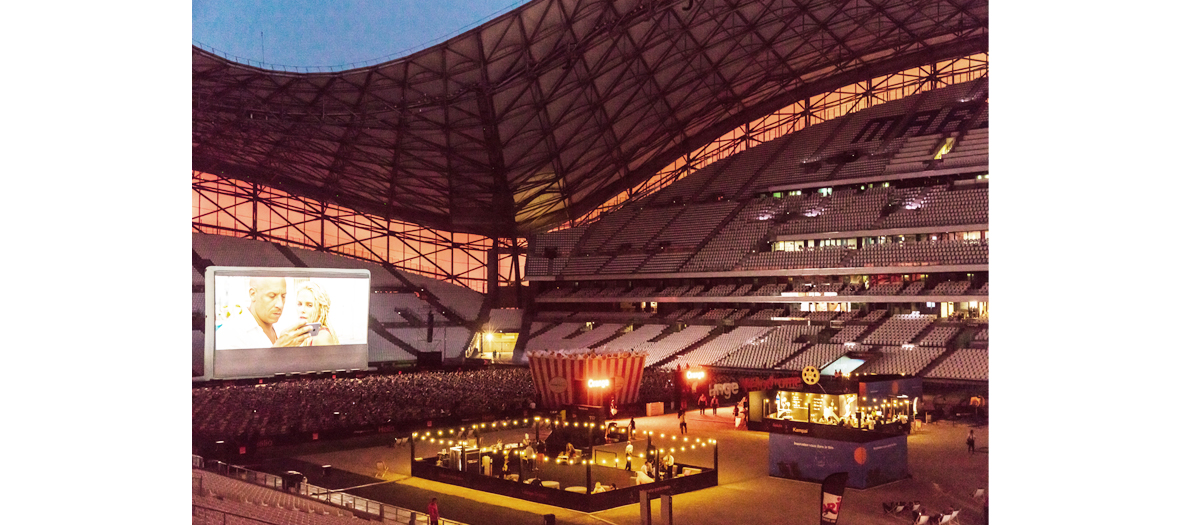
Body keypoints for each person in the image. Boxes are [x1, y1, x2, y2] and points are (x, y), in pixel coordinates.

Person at [216, 277, 311, 349]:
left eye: (283, 296)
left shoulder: (285, 327)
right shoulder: (229, 334)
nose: (280, 304)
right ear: (253, 294)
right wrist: (278, 351)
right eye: (272, 296)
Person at [294, 281, 340, 346]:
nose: (302, 310)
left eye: (309, 305)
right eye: (299, 304)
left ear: (320, 310)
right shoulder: (311, 334)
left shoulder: (321, 337)